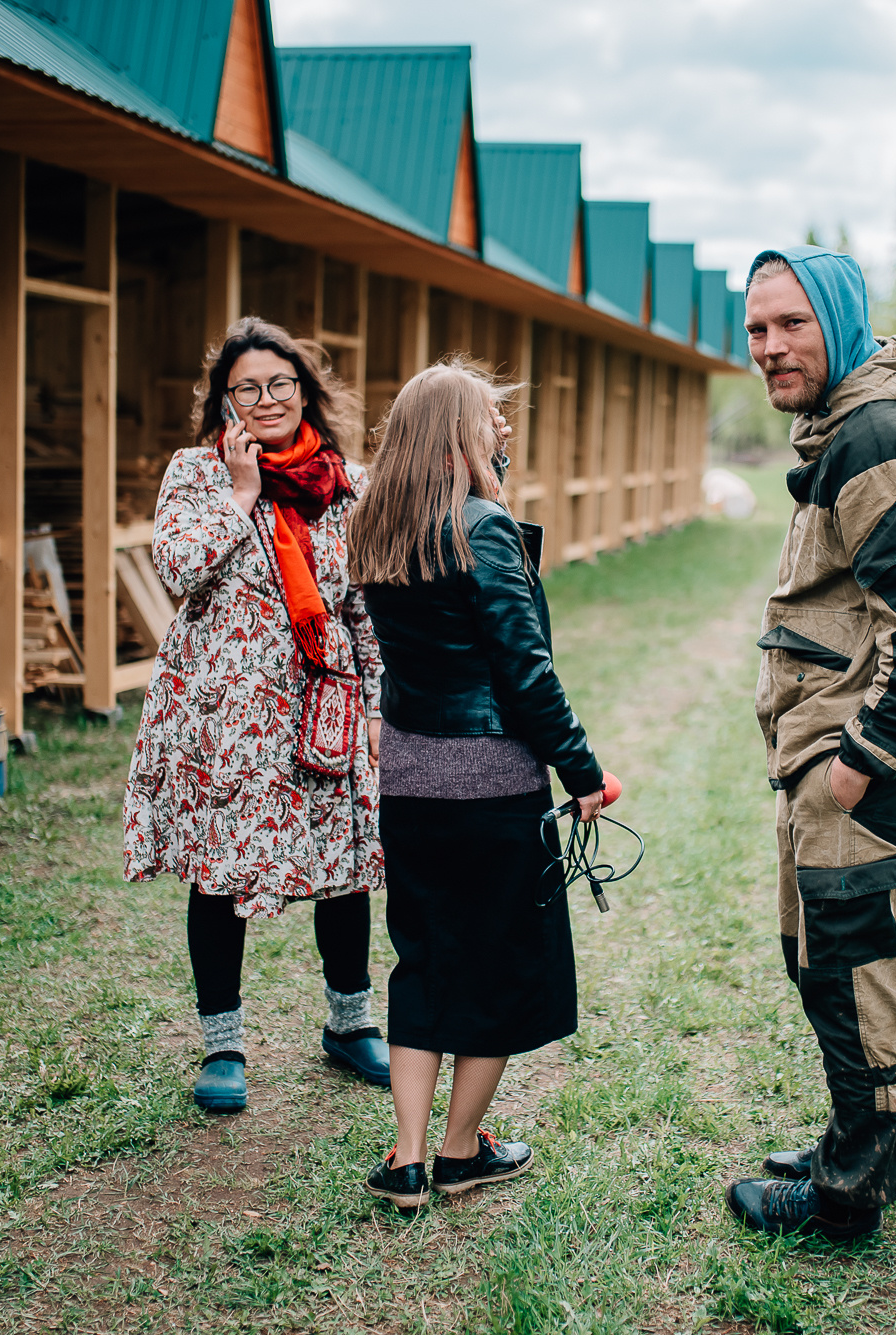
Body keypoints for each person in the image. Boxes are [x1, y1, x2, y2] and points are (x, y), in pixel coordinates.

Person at [726, 248, 896, 1238]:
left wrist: (860, 759)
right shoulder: (843, 425)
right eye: (757, 328)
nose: (769, 346)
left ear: (837, 318)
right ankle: (858, 1140)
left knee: (848, 961)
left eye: (791, 323)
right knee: (824, 956)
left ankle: (847, 1193)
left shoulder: (873, 436)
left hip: (853, 754)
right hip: (824, 745)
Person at [345, 362, 606, 1212]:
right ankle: (461, 1151)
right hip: (491, 786)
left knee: (423, 959)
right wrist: (582, 770)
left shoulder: (375, 526)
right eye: (492, 417)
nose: (503, 428)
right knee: (496, 964)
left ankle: (406, 1158)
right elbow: (526, 673)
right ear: (459, 429)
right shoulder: (483, 528)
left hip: (409, 783)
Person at [122, 317, 389, 1113]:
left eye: (280, 383)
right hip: (224, 714)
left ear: (304, 391)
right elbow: (178, 569)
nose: (267, 398)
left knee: (343, 866)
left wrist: (379, 705)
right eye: (249, 387)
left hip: (323, 702)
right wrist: (241, 494)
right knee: (219, 869)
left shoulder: (347, 484)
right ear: (225, 400)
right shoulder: (195, 473)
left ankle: (350, 1024)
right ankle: (223, 1045)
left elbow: (364, 606)